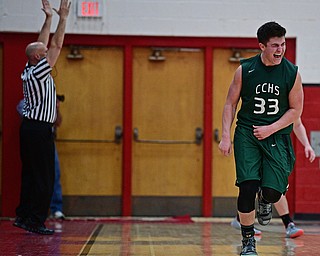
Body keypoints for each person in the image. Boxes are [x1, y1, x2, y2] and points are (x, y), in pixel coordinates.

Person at [219, 21, 304, 256]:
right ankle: (248, 242)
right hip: (248, 133)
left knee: (273, 192)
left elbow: (296, 111)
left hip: (276, 136)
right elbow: (230, 103)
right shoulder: (245, 70)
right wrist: (226, 135)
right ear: (261, 46)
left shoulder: (292, 73)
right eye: (275, 45)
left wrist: (272, 127)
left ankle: (265, 199)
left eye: (283, 44)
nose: (280, 49)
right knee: (247, 187)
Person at [13, 0, 70, 235]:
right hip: (38, 129)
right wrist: (63, 19)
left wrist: (48, 18)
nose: (49, 53)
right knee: (45, 178)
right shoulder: (38, 69)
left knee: (31, 175)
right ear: (38, 57)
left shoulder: (29, 68)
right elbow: (55, 43)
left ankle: (24, 217)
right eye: (44, 54)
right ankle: (36, 221)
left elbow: (43, 43)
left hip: (29, 128)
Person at [231, 118, 315, 239]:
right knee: (252, 184)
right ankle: (287, 223)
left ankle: (287, 224)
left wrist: (307, 145)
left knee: (274, 186)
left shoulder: (288, 106)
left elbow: (297, 123)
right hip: (254, 145)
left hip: (275, 147)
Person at [50, 95, 66, 220]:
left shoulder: (52, 106)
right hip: (35, 140)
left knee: (55, 173)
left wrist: (55, 108)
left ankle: (56, 209)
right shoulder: (28, 101)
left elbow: (58, 122)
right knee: (34, 175)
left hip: (49, 140)